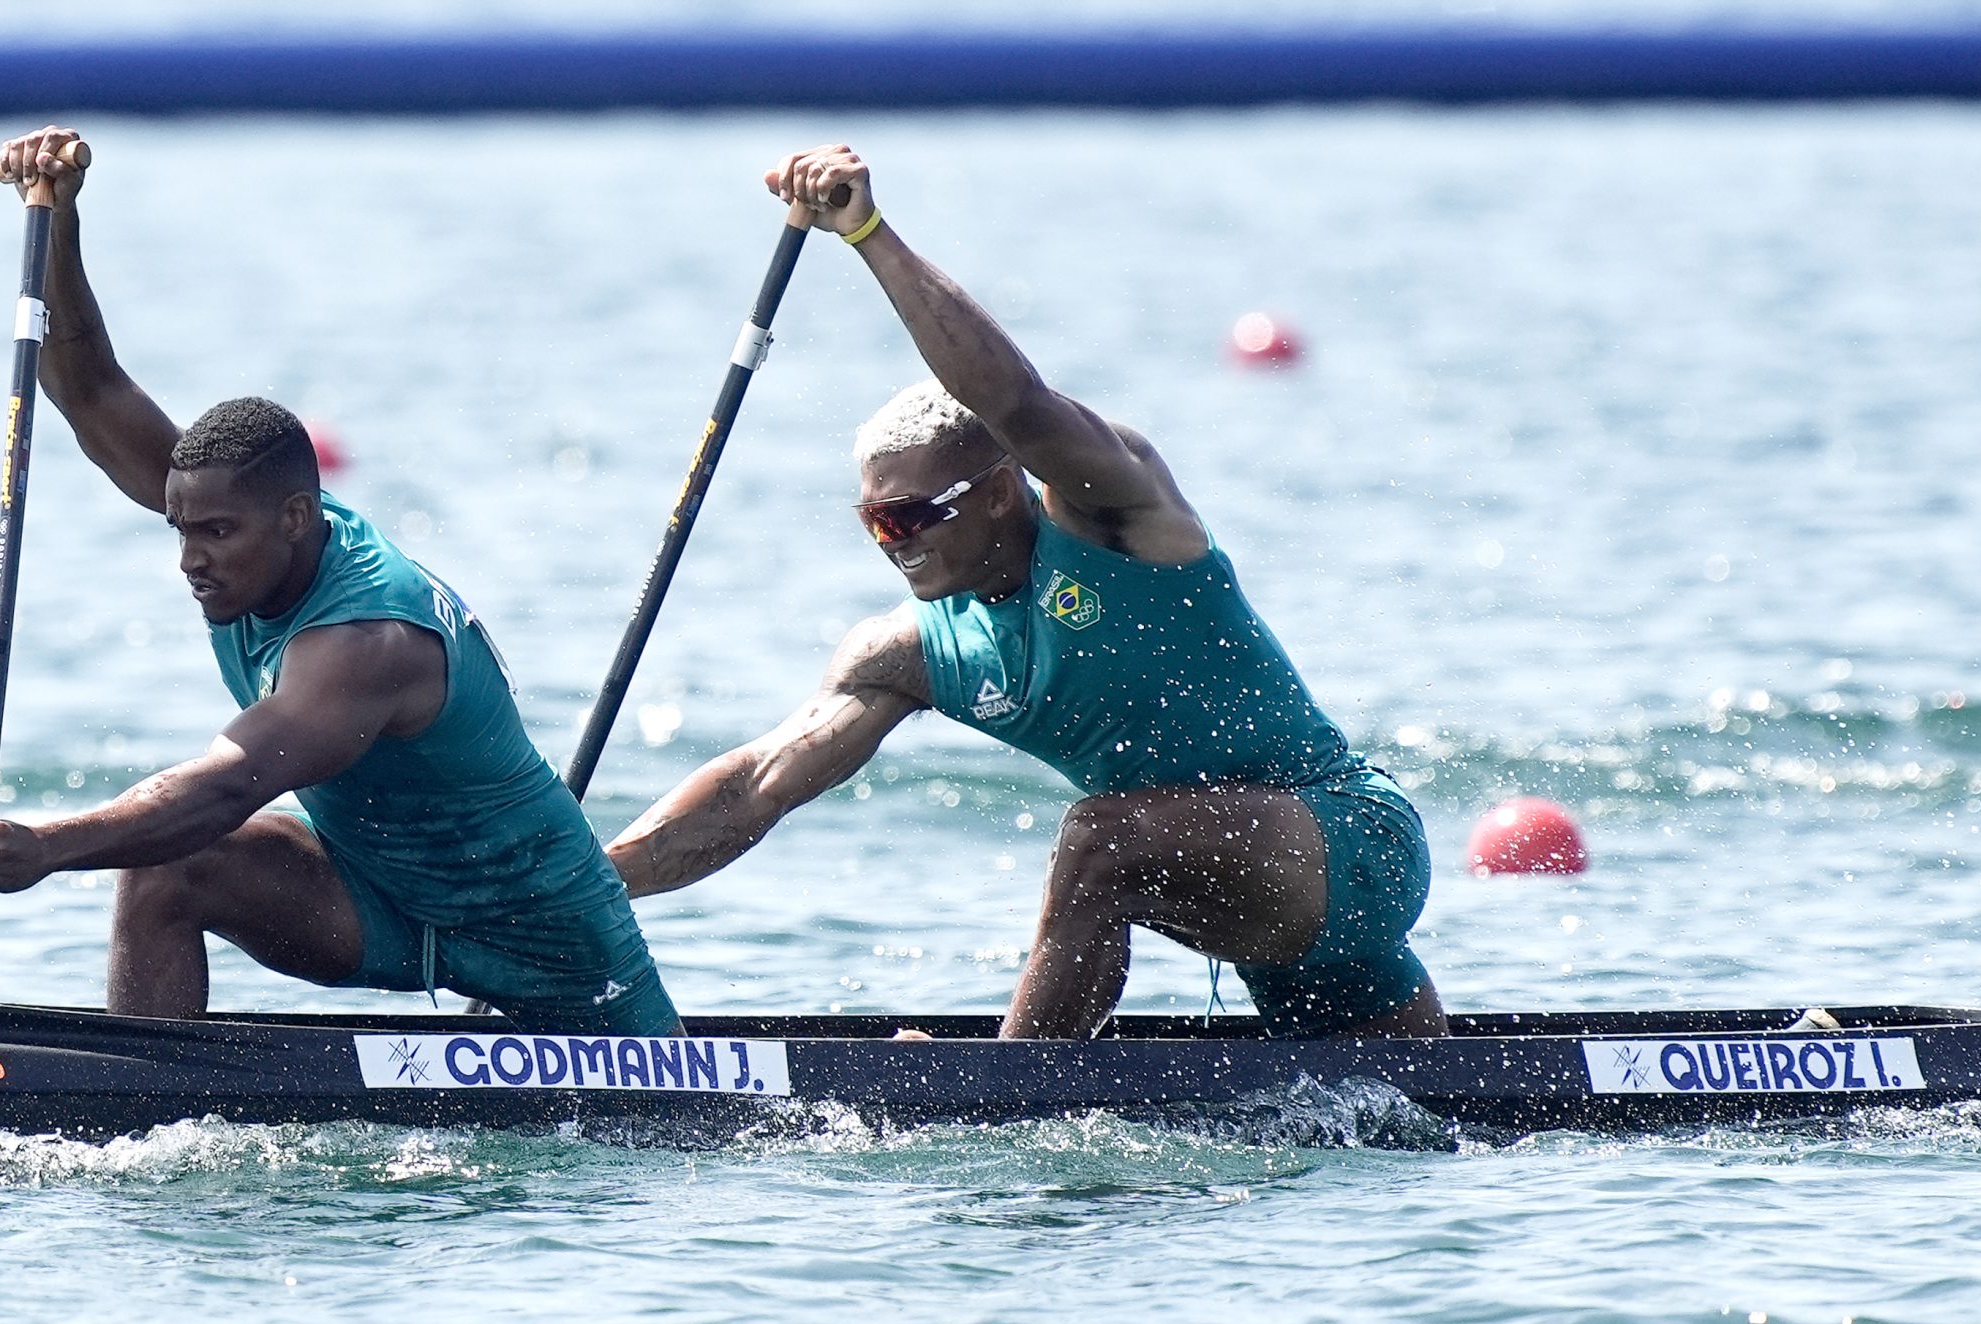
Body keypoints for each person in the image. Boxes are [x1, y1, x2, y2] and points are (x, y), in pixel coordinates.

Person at [607, 143, 1445, 1041]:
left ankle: (1014, 1093)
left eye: (911, 516)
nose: (895, 544)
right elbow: (755, 789)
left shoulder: (1116, 521)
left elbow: (1016, 403)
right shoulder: (909, 652)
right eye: (874, 522)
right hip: (1253, 899)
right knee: (1420, 1114)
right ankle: (1037, 1082)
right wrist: (573, 881)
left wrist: (868, 235)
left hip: (1349, 838)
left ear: (1001, 491)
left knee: (1099, 839)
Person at [0, 127, 678, 1035]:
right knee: (167, 871)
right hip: (383, 903)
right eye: (180, 528)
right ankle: (137, 1103)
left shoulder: (367, 640)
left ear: (297, 517)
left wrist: (45, 848)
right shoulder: (244, 528)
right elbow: (90, 391)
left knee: (177, 829)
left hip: (558, 953)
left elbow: (226, 788)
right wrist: (58, 218)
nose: (190, 558)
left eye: (214, 533)